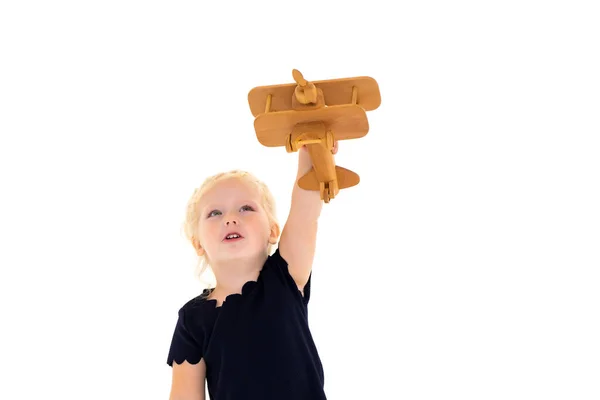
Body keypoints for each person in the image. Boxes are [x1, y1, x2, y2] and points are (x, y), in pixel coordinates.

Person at [166, 141, 338, 400]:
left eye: (246, 208)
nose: (230, 218)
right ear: (198, 243)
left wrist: (311, 150)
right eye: (214, 213)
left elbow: (305, 211)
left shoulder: (285, 278)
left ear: (272, 230)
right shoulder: (193, 319)